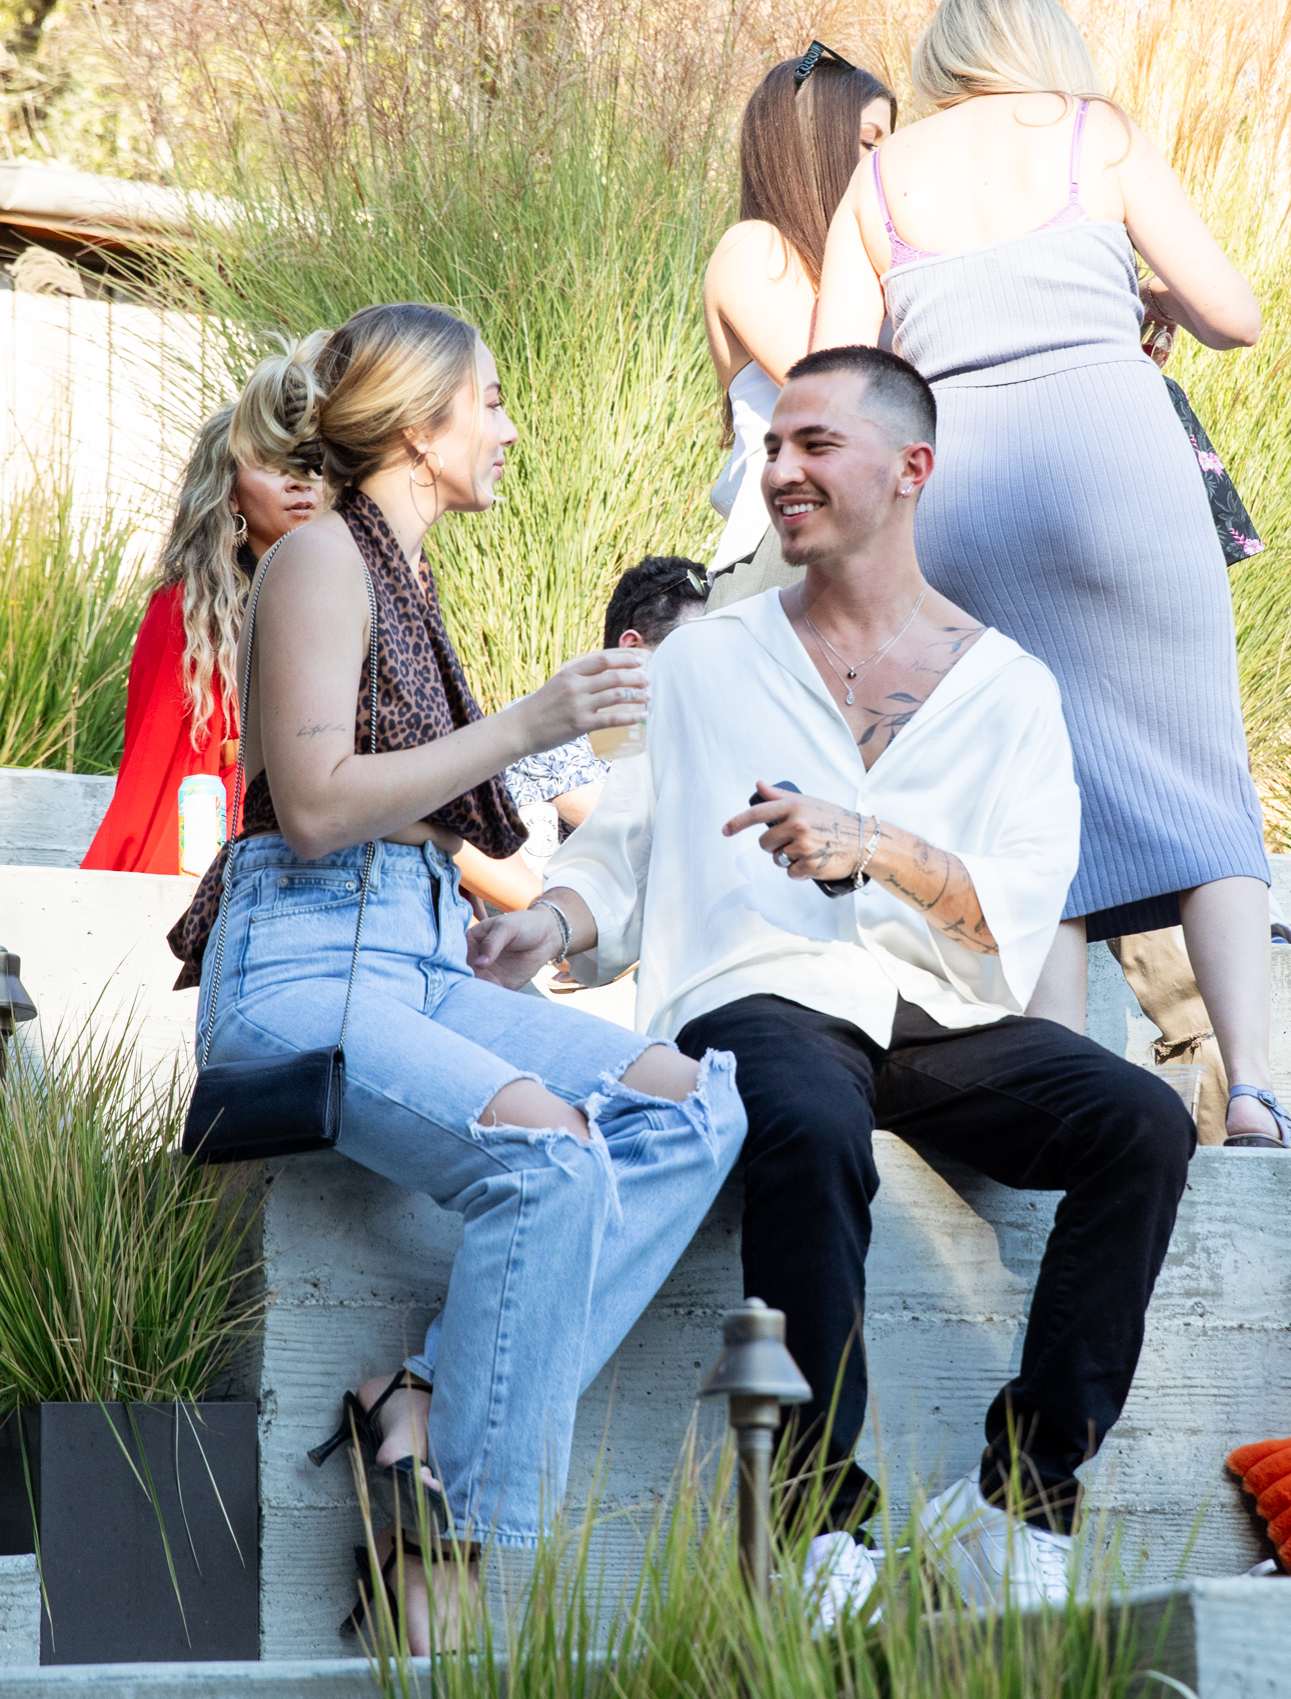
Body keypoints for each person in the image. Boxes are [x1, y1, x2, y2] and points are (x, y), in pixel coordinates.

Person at [469, 346, 1194, 1611]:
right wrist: (558, 926)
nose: (783, 470)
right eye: (773, 447)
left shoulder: (1013, 690)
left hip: (930, 1008)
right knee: (803, 1116)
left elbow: (1006, 909)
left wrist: (880, 848)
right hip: (760, 986)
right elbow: (627, 843)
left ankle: (1018, 1498)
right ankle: (820, 1520)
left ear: (910, 469)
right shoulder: (709, 661)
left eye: (815, 445)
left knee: (1138, 1119)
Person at [166, 303, 746, 1652]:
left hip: (414, 954)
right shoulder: (319, 557)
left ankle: (420, 1397)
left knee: (693, 1105)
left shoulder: (406, 576)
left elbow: (397, 802)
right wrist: (534, 722)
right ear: (423, 427)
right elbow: (308, 805)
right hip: (307, 962)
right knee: (549, 1159)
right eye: (490, 399)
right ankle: (458, 1552)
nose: (508, 425)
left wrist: (479, 913)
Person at [812, 0, 1291, 1149]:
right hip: (1120, 479)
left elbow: (825, 373)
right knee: (1199, 776)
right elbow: (1236, 314)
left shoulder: (880, 181)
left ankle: (1074, 1092)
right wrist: (1151, 297)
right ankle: (1260, 1093)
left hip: (964, 494)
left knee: (1027, 794)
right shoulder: (1094, 136)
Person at [81, 394, 322, 874]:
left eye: (314, 464)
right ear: (230, 493)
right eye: (274, 464)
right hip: (228, 858)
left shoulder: (352, 594)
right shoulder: (186, 612)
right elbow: (160, 777)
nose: (301, 482)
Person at [702, 43, 894, 608]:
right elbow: (834, 388)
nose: (884, 165)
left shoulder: (861, 269)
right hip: (780, 549)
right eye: (867, 143)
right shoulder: (753, 247)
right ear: (810, 146)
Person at [507, 555, 710, 880]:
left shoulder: (673, 731)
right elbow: (637, 831)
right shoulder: (555, 722)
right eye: (696, 651)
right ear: (632, 649)